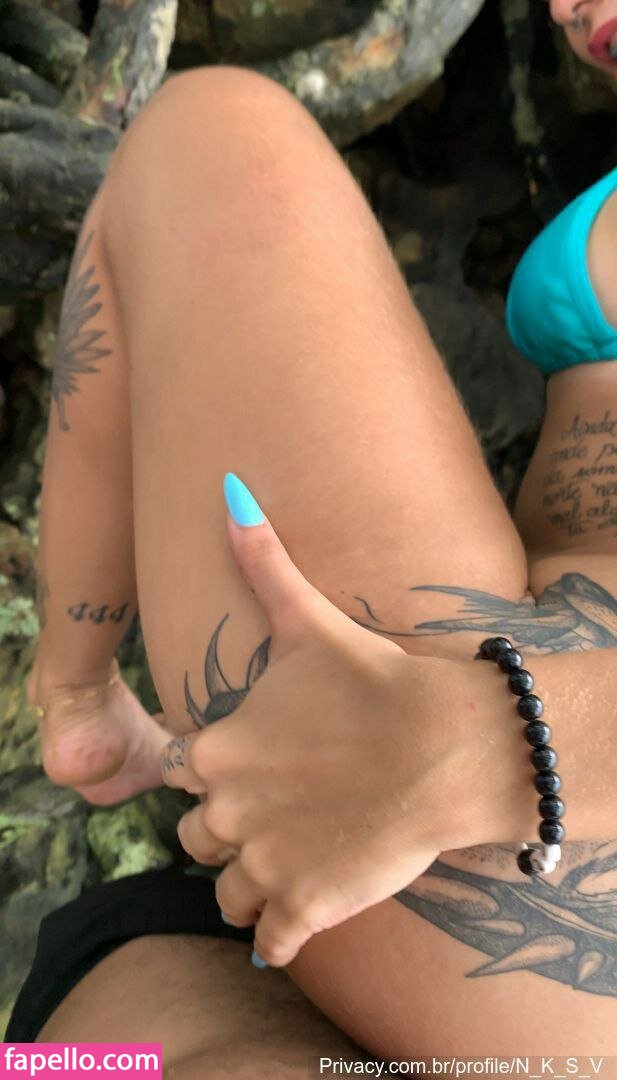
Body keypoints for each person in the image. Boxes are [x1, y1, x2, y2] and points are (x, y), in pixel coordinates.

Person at [8, 0, 617, 1068]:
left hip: (514, 796)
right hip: (449, 908)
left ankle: (76, 696)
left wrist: (482, 747)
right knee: (86, 1046)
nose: (567, 5)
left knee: (210, 143)